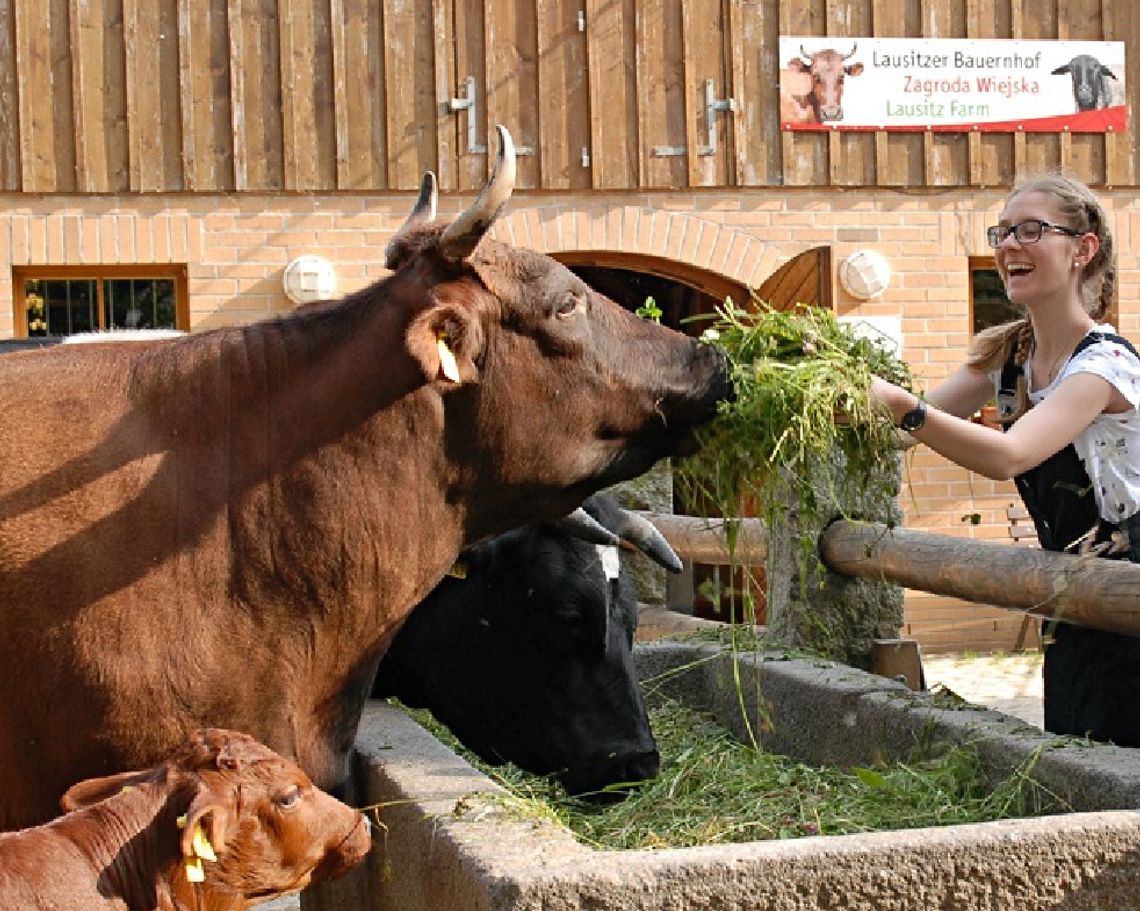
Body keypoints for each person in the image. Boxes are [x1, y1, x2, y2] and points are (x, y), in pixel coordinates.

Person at [868, 172, 1140, 746]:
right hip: (1071, 594)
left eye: (1031, 230)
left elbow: (1008, 455)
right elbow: (898, 435)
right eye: (1003, 232)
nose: (1009, 245)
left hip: (1129, 589)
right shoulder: (1006, 355)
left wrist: (897, 404)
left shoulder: (1105, 366)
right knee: (1074, 751)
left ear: (1082, 250)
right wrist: (841, 387)